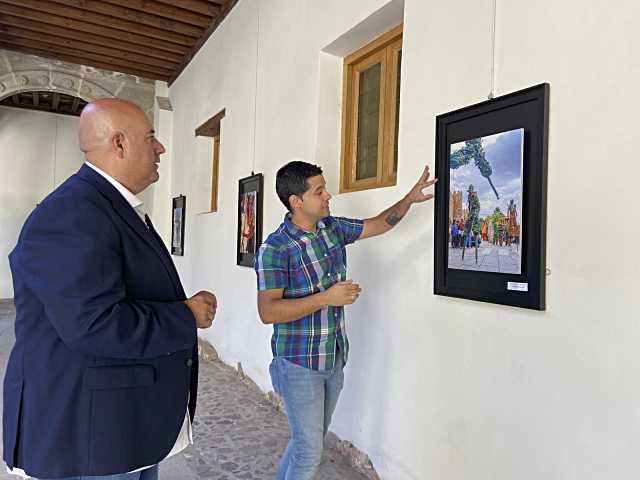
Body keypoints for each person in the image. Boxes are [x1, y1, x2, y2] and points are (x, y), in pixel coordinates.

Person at [3, 99, 217, 480]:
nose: (161, 148)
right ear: (119, 144)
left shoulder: (103, 205)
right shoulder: (73, 212)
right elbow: (93, 323)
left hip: (119, 425)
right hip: (88, 437)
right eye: (151, 137)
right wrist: (185, 315)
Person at [254, 161, 436, 479]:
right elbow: (268, 311)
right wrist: (327, 297)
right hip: (298, 364)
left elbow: (379, 224)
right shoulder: (276, 247)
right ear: (296, 202)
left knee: (305, 444)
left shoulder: (331, 228)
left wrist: (409, 198)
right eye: (319, 191)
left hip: (334, 356)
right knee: (309, 451)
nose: (329, 196)